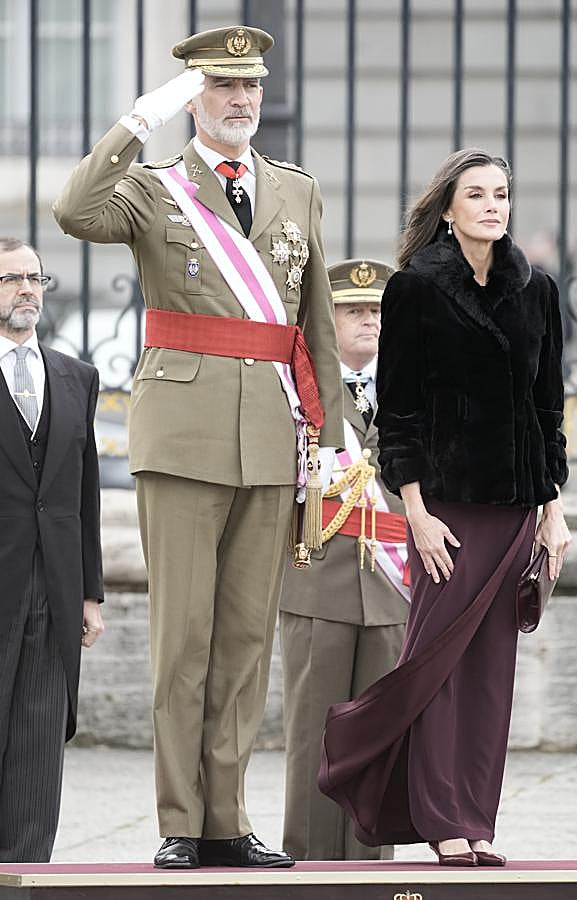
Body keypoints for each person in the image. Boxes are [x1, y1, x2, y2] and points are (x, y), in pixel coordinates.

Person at [53, 25, 343, 870]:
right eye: (222, 86)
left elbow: (317, 326)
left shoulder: (296, 190)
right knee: (183, 640)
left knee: (246, 643)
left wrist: (327, 443)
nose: (240, 100)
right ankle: (181, 819)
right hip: (182, 436)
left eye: (250, 86)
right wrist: (138, 121)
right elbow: (74, 211)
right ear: (192, 98)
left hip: (272, 435)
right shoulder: (154, 190)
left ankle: (228, 820)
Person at [318, 149, 571, 867]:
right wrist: (417, 512)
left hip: (516, 511)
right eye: (478, 195)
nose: (493, 206)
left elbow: (547, 412)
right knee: (436, 665)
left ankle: (475, 820)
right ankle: (435, 815)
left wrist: (553, 510)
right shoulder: (415, 289)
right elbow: (398, 414)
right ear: (449, 209)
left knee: (490, 673)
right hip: (447, 513)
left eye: (502, 194)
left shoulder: (538, 291)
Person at [280, 259, 409, 861]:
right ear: (326, 321)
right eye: (353, 310)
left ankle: (370, 868)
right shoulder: (298, 387)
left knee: (381, 735)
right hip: (317, 579)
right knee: (313, 734)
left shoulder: (413, 387)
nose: (369, 321)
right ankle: (310, 865)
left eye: (377, 310)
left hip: (392, 585)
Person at [0, 237, 104, 862]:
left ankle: (26, 871)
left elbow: (84, 491)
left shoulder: (77, 377)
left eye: (35, 278)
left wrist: (91, 592)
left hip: (57, 587)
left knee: (40, 736)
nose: (27, 290)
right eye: (11, 279)